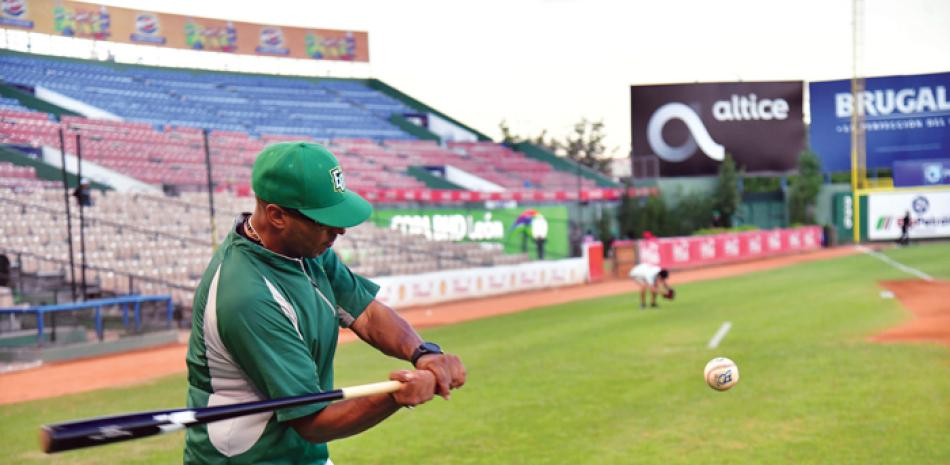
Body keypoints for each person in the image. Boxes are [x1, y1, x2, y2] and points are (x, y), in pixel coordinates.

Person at [184, 142, 466, 465]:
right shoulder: (247, 295)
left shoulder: (307, 250)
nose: (340, 231)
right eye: (324, 221)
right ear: (277, 215)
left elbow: (368, 315)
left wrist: (423, 354)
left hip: (300, 456)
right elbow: (312, 421)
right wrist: (398, 395)